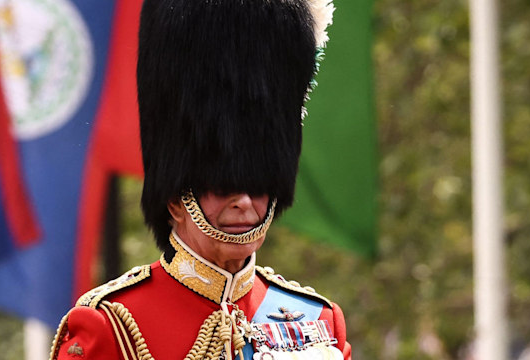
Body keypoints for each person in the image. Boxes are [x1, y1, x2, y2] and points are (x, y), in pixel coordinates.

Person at [49, 0, 351, 358]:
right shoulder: (112, 326)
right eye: (223, 186)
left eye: (258, 185)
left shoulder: (318, 322)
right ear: (176, 200)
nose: (244, 202)